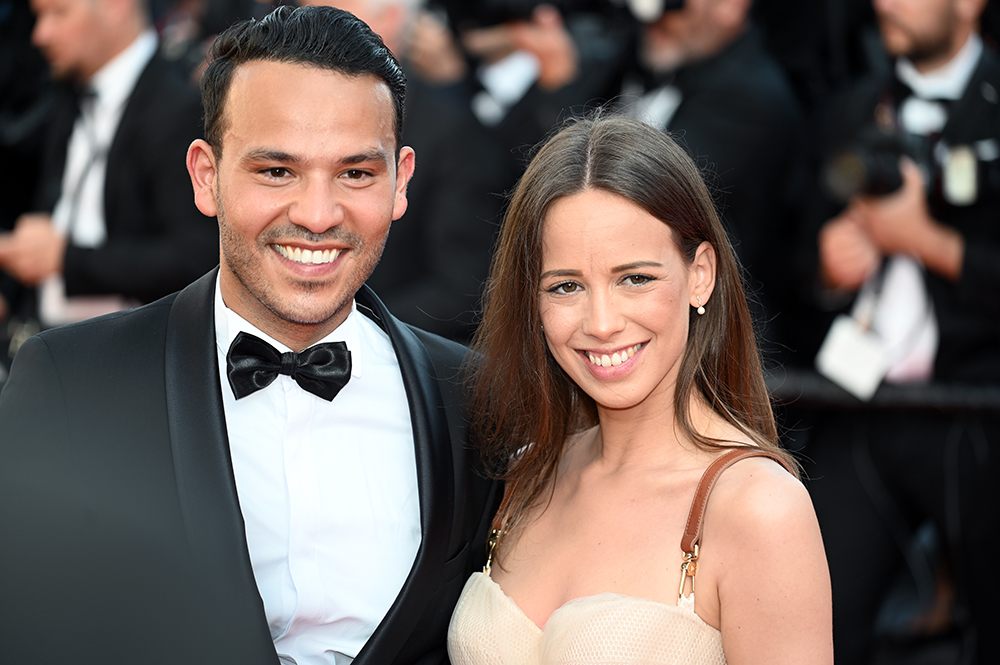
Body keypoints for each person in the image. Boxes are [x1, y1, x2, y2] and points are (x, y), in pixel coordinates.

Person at [0, 6, 498, 665]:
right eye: (276, 171)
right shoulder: (72, 385)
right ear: (206, 176)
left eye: (355, 173)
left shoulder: (475, 397)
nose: (317, 215)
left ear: (401, 181)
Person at [447, 115, 833, 665]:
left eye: (635, 279)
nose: (602, 323)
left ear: (700, 275)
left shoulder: (759, 509)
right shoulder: (525, 476)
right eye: (566, 286)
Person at [798, 0, 1000, 661]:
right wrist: (830, 268)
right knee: (819, 613)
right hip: (858, 401)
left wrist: (929, 243)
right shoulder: (853, 106)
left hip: (978, 408)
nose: (886, 3)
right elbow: (788, 255)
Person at [0, 0, 216, 348]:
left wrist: (66, 260)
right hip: (41, 340)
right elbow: (51, 214)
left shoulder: (180, 107)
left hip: (128, 353)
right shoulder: (69, 95)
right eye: (39, 16)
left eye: (58, 13)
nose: (40, 34)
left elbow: (197, 259)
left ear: (117, 5)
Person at [300, 0, 505, 343]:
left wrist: (345, 327)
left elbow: (462, 286)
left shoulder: (449, 131)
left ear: (390, 20)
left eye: (326, 12)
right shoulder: (284, 115)